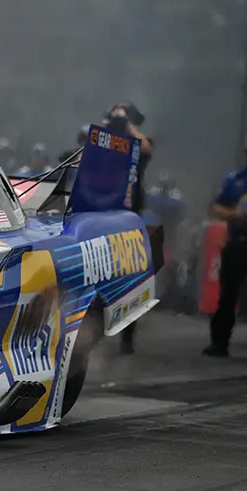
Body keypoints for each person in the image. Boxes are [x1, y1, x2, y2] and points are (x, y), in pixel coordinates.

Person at [203, 135, 247, 361]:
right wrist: (235, 215)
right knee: (228, 294)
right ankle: (219, 342)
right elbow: (217, 206)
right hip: (237, 241)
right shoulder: (235, 179)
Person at [102, 102, 154, 354]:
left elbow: (147, 147)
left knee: (129, 277)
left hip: (129, 218)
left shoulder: (138, 144)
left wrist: (128, 127)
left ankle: (127, 336)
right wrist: (108, 128)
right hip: (102, 215)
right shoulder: (104, 140)